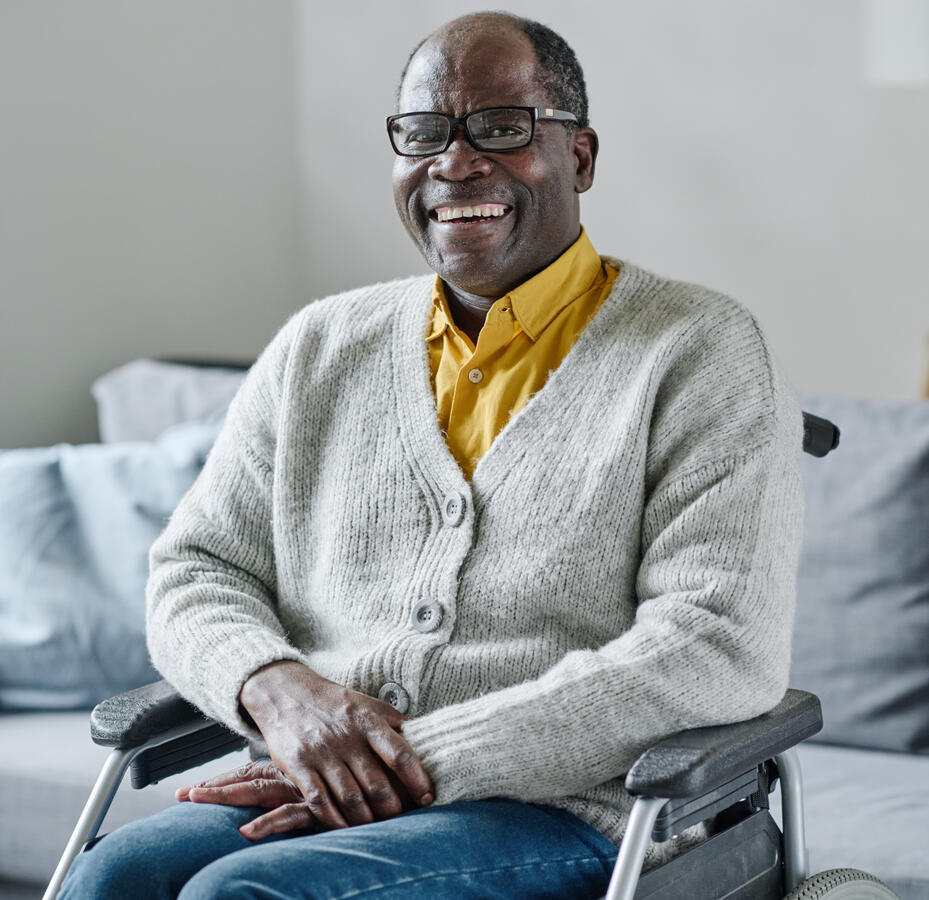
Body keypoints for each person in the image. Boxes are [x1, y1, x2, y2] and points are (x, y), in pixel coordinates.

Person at [62, 11, 804, 900]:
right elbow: (195, 568)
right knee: (118, 875)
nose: (454, 162)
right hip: (320, 775)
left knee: (247, 895)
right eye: (422, 134)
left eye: (502, 127)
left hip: (573, 805)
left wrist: (411, 760)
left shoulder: (699, 350)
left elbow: (714, 646)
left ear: (579, 157)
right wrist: (276, 689)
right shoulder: (319, 346)